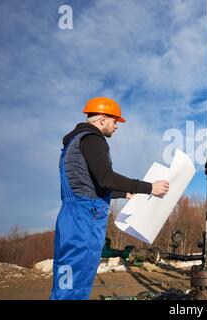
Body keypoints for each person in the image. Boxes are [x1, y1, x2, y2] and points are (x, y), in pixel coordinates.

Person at [50, 97, 169, 300]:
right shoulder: (92, 139)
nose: (117, 126)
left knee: (67, 278)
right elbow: (106, 178)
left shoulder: (73, 142)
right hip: (85, 219)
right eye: (115, 121)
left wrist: (125, 193)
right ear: (103, 119)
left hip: (73, 216)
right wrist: (150, 188)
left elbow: (90, 184)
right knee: (75, 283)